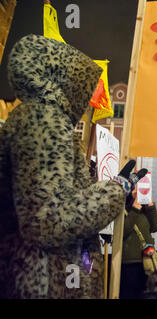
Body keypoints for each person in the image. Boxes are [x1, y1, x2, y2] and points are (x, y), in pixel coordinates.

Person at [0, 35, 143, 298]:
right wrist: (115, 191)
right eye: (84, 85)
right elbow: (50, 220)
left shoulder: (37, 117)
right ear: (65, 80)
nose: (87, 95)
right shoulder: (44, 119)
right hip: (48, 284)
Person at [120, 188, 157, 299]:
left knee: (144, 293)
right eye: (136, 188)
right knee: (129, 293)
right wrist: (135, 207)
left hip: (146, 259)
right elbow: (124, 230)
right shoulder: (124, 208)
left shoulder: (146, 210)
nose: (139, 191)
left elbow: (155, 227)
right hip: (130, 261)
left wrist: (150, 206)